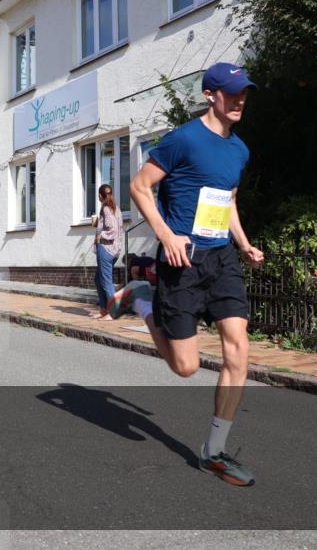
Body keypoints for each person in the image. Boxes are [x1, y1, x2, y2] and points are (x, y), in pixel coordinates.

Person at [129, 62, 265, 487]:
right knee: (186, 367)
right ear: (210, 94)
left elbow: (229, 201)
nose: (240, 100)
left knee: (238, 350)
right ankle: (141, 300)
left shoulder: (239, 149)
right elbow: (139, 186)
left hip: (221, 257)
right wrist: (166, 234)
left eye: (244, 93)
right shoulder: (183, 140)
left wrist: (242, 243)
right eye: (232, 92)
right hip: (182, 260)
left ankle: (215, 451)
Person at [90, 184, 124, 321]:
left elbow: (113, 230)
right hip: (114, 249)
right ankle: (104, 310)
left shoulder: (106, 208)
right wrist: (99, 224)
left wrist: (100, 235)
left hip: (106, 249)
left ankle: (113, 311)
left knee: (105, 281)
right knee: (98, 280)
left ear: (100, 195)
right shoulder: (115, 208)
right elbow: (113, 225)